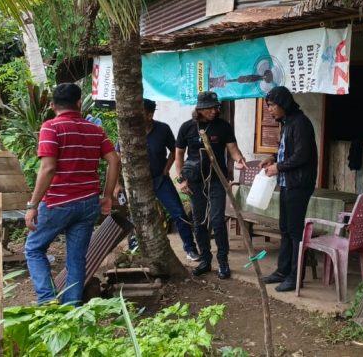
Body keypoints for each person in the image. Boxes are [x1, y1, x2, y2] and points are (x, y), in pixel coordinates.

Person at [24, 83, 120, 306]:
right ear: (79, 104)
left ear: (52, 105)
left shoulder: (51, 127)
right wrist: (107, 196)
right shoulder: (95, 130)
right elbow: (114, 160)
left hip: (58, 202)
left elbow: (48, 168)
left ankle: (48, 303)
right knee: (77, 259)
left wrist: (32, 205)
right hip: (88, 203)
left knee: (34, 248)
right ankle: (72, 308)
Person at [174, 91, 247, 279]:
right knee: (199, 222)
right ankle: (205, 260)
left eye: (216, 107)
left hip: (217, 180)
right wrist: (181, 180)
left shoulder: (223, 126)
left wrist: (239, 159)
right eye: (211, 108)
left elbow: (233, 149)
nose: (215, 111)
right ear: (200, 109)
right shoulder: (187, 127)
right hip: (195, 182)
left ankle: (223, 261)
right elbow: (179, 154)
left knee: (217, 220)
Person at [116, 99, 200, 261]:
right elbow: (118, 158)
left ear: (150, 115)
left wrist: (166, 169)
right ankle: (134, 250)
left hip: (160, 180)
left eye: (140, 112)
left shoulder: (163, 129)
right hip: (137, 183)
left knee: (178, 213)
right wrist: (117, 184)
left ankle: (190, 248)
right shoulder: (129, 130)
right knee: (136, 216)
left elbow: (175, 151)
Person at [258, 86, 318, 292]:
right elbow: (287, 151)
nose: (269, 110)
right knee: (284, 228)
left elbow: (302, 155)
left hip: (298, 184)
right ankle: (282, 271)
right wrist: (273, 158)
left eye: (272, 105)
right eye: (268, 106)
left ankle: (295, 276)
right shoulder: (287, 123)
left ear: (283, 104)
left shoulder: (301, 123)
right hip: (287, 183)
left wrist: (279, 167)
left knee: (295, 232)